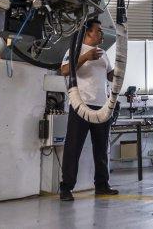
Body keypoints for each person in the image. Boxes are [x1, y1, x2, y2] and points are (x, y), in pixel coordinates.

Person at [59, 19, 117, 201]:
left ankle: (102, 185)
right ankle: (66, 188)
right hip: (80, 106)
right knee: (73, 148)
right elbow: (65, 70)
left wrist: (119, 69)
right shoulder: (75, 50)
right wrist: (85, 57)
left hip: (102, 106)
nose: (102, 34)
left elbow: (109, 75)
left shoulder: (104, 54)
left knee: (101, 149)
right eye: (98, 30)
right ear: (88, 33)